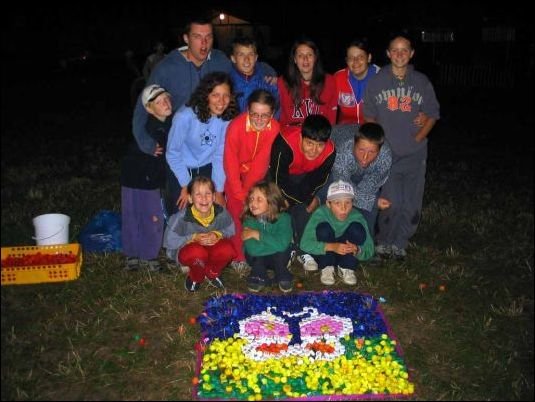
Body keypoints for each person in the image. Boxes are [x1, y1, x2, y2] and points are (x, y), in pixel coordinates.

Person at [363, 33, 440, 260]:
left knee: (411, 202)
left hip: (415, 153)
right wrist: (379, 143)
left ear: (411, 53)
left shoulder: (421, 82)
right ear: (388, 54)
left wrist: (419, 137)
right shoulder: (377, 81)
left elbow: (433, 114)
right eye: (395, 50)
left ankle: (400, 243)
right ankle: (384, 241)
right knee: (391, 200)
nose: (399, 54)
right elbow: (369, 115)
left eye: (404, 50)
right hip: (388, 153)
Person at [132, 17, 231, 165]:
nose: (204, 43)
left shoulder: (221, 61)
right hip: (179, 143)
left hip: (212, 142)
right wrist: (144, 140)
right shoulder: (167, 67)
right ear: (186, 38)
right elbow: (144, 101)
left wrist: (266, 73)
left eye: (208, 37)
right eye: (197, 37)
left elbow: (243, 73)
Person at [267, 114, 336, 272]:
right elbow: (278, 178)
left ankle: (303, 249)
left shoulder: (330, 152)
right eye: (309, 143)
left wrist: (302, 199)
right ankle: (287, 246)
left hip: (305, 178)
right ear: (301, 136)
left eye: (320, 145)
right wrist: (286, 201)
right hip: (279, 177)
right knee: (278, 208)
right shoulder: (284, 142)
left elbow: (317, 180)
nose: (314, 150)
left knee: (305, 208)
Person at [166, 71, 238, 216]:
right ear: (206, 95)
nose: (221, 101)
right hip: (181, 168)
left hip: (206, 168)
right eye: (215, 95)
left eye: (226, 95)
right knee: (182, 215)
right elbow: (172, 153)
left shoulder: (226, 118)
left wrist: (218, 190)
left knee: (210, 214)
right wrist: (186, 185)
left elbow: (220, 155)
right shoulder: (184, 117)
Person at [224, 89, 280, 272]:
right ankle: (238, 256)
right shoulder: (236, 126)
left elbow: (261, 162)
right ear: (248, 110)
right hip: (235, 175)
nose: (259, 119)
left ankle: (258, 250)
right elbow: (230, 160)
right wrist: (239, 194)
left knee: (256, 210)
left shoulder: (275, 128)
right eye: (254, 114)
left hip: (257, 176)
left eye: (265, 115)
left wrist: (249, 194)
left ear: (272, 113)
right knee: (236, 212)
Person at [120, 84, 173, 272]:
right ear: (149, 109)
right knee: (132, 215)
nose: (165, 103)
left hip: (150, 180)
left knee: (151, 216)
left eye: (166, 99)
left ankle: (148, 255)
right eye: (158, 102)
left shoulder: (171, 124)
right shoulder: (147, 128)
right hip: (133, 177)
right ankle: (132, 254)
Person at [163, 176, 236, 292]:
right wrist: (192, 237)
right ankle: (196, 277)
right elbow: (169, 241)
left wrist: (217, 234)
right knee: (197, 253)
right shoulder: (181, 218)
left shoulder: (221, 213)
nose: (204, 198)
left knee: (228, 250)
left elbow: (231, 228)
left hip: (211, 249)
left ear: (214, 197)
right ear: (190, 198)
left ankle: (212, 272)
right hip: (192, 253)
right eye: (198, 194)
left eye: (208, 193)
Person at [300, 180, 374, 286]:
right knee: (323, 229)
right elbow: (304, 244)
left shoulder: (357, 217)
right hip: (326, 253)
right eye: (337, 203)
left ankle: (347, 267)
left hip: (346, 254)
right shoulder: (320, 213)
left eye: (347, 203)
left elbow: (370, 249)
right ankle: (326, 267)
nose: (343, 208)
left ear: (353, 203)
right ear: (328, 204)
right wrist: (331, 246)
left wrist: (357, 250)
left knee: (357, 229)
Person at [326, 122, 392, 237]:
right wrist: (373, 202)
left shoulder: (385, 157)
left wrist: (369, 202)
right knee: (334, 200)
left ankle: (366, 243)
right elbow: (343, 188)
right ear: (354, 145)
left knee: (368, 210)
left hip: (365, 172)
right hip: (334, 165)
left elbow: (368, 189)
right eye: (361, 150)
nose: (365, 157)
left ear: (379, 151)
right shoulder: (343, 152)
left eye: (372, 152)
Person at [241, 180, 293, 293]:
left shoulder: (284, 219)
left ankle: (281, 273)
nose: (253, 203)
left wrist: (257, 234)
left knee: (283, 251)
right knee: (253, 254)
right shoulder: (249, 221)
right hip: (258, 258)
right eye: (251, 199)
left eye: (259, 199)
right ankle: (258, 274)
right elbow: (252, 249)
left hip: (279, 258)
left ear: (271, 202)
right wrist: (274, 243)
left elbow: (282, 244)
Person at [277, 38, 337, 128]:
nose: (305, 59)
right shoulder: (282, 83)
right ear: (295, 59)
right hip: (291, 133)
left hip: (319, 134)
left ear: (315, 58)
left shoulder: (329, 81)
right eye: (300, 55)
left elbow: (331, 121)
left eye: (309, 55)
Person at [228, 36, 280, 116]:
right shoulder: (228, 84)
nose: (246, 59)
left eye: (251, 54)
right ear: (233, 58)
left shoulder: (267, 81)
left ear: (256, 57)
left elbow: (277, 108)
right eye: (241, 54)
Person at [334, 38, 380, 125]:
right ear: (347, 61)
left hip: (374, 129)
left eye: (360, 57)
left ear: (369, 58)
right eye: (351, 58)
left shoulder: (382, 78)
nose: (355, 61)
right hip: (346, 128)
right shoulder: (338, 78)